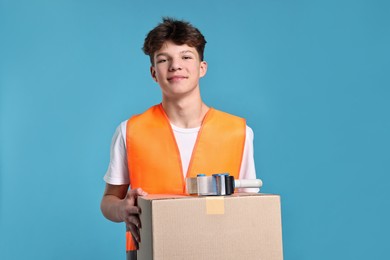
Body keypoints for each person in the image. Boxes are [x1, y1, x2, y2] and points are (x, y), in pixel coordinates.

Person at [100, 17, 259, 258]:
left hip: (220, 250)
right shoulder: (130, 130)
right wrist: (122, 209)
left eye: (186, 57)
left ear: (202, 67)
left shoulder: (238, 132)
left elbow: (250, 208)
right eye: (164, 60)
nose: (175, 66)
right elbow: (109, 200)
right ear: (154, 73)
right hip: (149, 251)